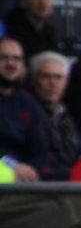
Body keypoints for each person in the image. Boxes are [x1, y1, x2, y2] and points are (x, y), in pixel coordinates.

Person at [27, 51, 79, 179]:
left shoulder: (69, 115)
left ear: (66, 82)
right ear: (34, 80)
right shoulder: (26, 112)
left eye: (58, 77)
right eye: (46, 77)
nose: (52, 83)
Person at [0, 38, 46, 181]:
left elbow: (39, 148)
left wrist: (32, 168)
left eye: (16, 59)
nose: (11, 63)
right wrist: (13, 166)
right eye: (4, 58)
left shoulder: (29, 103)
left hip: (23, 177)